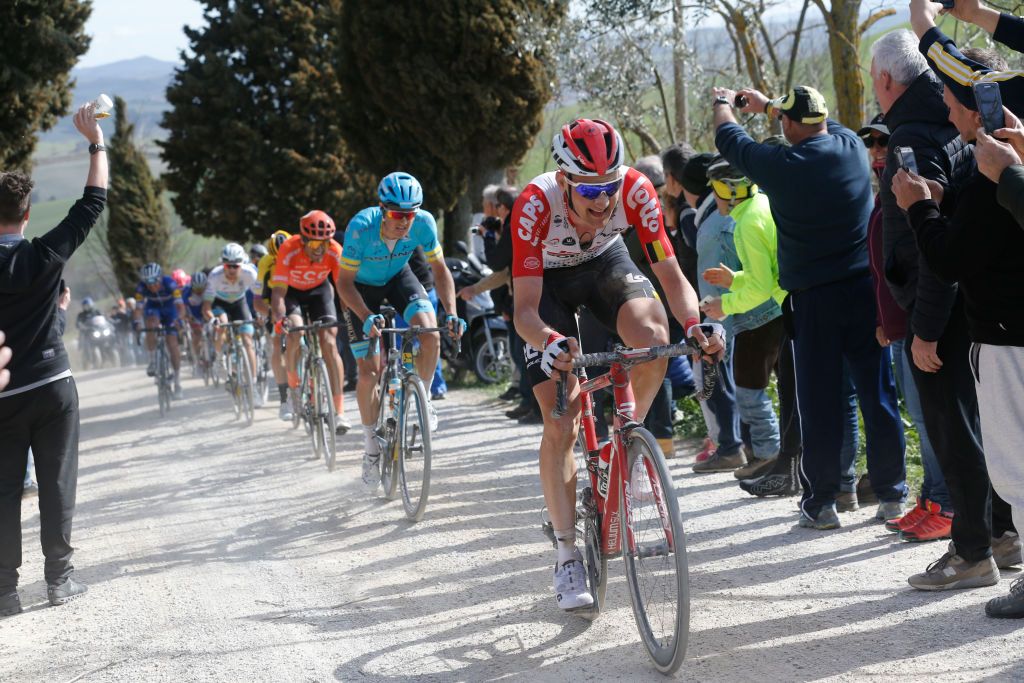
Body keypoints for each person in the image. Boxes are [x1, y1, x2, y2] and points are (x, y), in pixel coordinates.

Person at [511, 118, 723, 611]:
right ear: (564, 180)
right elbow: (523, 308)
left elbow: (670, 275)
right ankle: (567, 553)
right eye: (589, 189)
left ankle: (624, 441)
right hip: (545, 284)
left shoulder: (636, 190)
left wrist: (696, 325)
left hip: (605, 263)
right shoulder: (534, 204)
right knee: (560, 419)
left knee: (654, 338)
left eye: (609, 187)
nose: (603, 200)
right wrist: (548, 341)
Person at [713, 84, 907, 530]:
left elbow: (730, 139)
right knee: (877, 394)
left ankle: (822, 503)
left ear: (789, 124)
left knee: (819, 402)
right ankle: (892, 494)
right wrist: (771, 107)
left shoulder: (783, 166)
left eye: (783, 119)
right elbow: (820, 124)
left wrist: (725, 103)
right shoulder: (852, 149)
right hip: (864, 292)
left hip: (814, 301)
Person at [892, 0, 1024, 613]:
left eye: (951, 101)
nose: (944, 109)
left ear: (975, 108)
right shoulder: (993, 161)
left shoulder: (991, 165)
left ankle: (1002, 569)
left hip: (1005, 339)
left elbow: (949, 260)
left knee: (1015, 470)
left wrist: (918, 206)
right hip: (1006, 332)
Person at [0, 102, 108, 616]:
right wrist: (96, 142)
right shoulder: (44, 256)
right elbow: (92, 204)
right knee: (56, 481)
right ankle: (59, 581)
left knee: (2, 492)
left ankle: (3, 592)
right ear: (26, 215)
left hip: (2, 392)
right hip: (52, 384)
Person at [857, 115, 953, 542]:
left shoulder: (910, 187)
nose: (877, 149)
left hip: (919, 322)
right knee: (919, 415)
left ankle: (945, 503)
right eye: (871, 143)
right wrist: (883, 319)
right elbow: (882, 267)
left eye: (883, 141)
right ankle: (931, 498)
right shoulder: (883, 192)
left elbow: (921, 261)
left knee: (931, 418)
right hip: (897, 326)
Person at [337, 172, 464, 489]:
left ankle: (422, 398)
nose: (404, 221)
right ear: (382, 209)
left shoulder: (424, 223)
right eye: (397, 214)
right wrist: (366, 315)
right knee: (369, 371)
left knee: (430, 332)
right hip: (360, 289)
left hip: (398, 277)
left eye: (410, 213)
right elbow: (343, 283)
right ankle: (370, 448)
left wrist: (451, 313)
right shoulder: (360, 228)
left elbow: (440, 269)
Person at [699, 155, 804, 498]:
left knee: (790, 399)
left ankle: (790, 470)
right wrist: (735, 278)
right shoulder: (762, 205)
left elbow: (759, 290)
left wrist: (722, 305)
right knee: (793, 397)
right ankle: (795, 470)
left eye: (715, 190)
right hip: (790, 308)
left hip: (788, 310)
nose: (714, 200)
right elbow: (765, 274)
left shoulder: (745, 223)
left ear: (729, 191)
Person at [270, 213, 350, 434]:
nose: (320, 248)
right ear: (303, 239)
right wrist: (279, 319)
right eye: (314, 243)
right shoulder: (289, 247)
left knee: (330, 342)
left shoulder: (335, 250)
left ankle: (339, 412)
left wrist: (350, 316)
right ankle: (294, 388)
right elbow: (278, 292)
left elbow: (343, 289)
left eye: (324, 242)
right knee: (294, 332)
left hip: (319, 291)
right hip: (292, 293)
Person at [203, 243, 264, 405]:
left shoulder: (250, 273)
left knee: (248, 341)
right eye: (227, 266)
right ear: (222, 264)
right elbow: (206, 307)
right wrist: (212, 319)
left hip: (239, 303)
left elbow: (260, 298)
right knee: (222, 323)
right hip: (220, 304)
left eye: (235, 266)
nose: (231, 270)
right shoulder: (215, 276)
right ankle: (219, 359)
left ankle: (253, 386)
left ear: (241, 265)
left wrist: (260, 314)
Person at [254, 230, 294, 420]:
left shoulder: (297, 256)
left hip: (295, 297)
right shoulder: (264, 263)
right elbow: (256, 299)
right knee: (278, 345)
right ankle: (284, 398)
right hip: (272, 301)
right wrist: (270, 313)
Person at [133, 262, 187, 398]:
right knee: (150, 325)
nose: (151, 285)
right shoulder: (141, 288)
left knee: (172, 343)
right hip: (153, 309)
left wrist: (179, 320)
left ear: (160, 278)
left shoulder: (170, 284)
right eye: (147, 282)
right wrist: (137, 322)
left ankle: (177, 381)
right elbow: (138, 309)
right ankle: (152, 360)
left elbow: (181, 307)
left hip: (170, 310)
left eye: (153, 281)